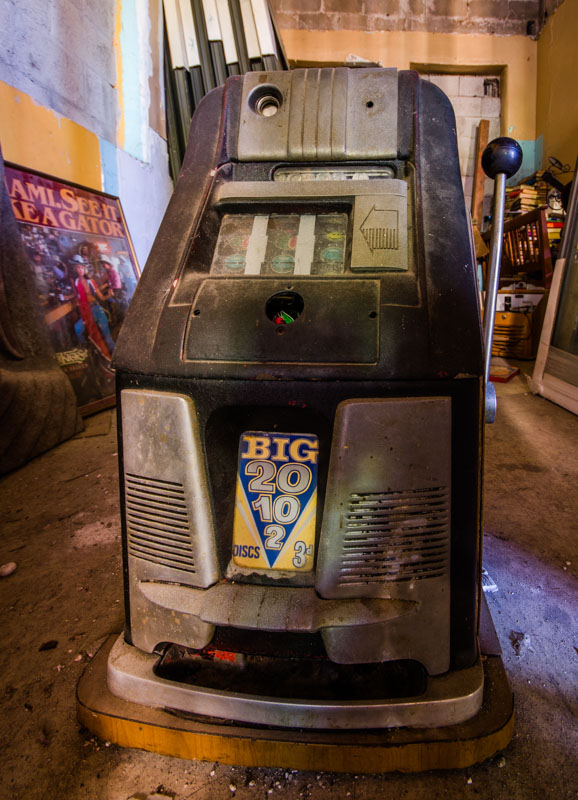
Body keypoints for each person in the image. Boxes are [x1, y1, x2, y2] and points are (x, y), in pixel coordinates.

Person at [72, 255, 115, 359]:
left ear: (84, 268)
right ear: (75, 269)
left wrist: (109, 295)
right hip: (86, 312)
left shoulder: (90, 281)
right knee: (77, 328)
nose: (80, 269)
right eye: (78, 267)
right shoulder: (77, 282)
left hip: (96, 309)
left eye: (81, 267)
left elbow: (101, 297)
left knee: (107, 335)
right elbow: (78, 297)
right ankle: (88, 352)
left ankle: (116, 358)